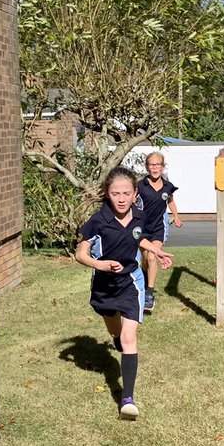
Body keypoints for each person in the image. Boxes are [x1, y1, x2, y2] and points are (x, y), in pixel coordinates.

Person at [75, 167, 173, 420]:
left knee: (129, 338)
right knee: (113, 327)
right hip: (104, 285)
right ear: (107, 194)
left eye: (126, 193)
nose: (121, 198)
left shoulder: (139, 216)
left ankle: (127, 399)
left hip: (131, 282)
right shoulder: (98, 220)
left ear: (134, 193)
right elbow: (80, 254)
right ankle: (116, 337)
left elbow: (139, 238)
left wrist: (157, 252)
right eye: (115, 193)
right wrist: (100, 265)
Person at [136, 151, 181, 312]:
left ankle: (149, 294)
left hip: (158, 228)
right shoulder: (140, 186)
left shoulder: (168, 186)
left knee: (152, 256)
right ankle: (145, 274)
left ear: (163, 167)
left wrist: (175, 216)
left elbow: (171, 202)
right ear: (147, 167)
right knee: (146, 260)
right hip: (141, 229)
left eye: (157, 164)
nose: (154, 168)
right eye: (151, 164)